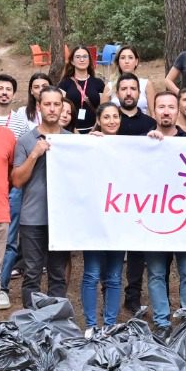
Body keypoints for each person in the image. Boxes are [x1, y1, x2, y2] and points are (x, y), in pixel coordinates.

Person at [139, 91, 186, 324]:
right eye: (161, 107)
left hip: (185, 219)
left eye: (170, 107)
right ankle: (162, 321)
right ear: (154, 111)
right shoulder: (142, 142)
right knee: (155, 273)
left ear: (178, 111)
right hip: (154, 218)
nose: (166, 111)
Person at [11, 86, 72, 304]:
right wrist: (35, 155)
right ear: (39, 106)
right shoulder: (26, 140)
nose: (52, 109)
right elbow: (17, 180)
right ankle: (32, 322)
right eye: (47, 104)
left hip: (61, 219)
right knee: (32, 274)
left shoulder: (71, 141)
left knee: (57, 274)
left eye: (57, 104)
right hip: (33, 218)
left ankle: (56, 322)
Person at [80, 104, 127, 333]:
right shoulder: (88, 144)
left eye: (115, 117)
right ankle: (90, 325)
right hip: (94, 220)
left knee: (115, 276)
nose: (111, 121)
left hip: (119, 220)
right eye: (106, 117)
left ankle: (109, 325)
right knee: (91, 273)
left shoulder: (131, 146)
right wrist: (86, 142)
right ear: (98, 119)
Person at [58, 46, 105, 133]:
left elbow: (103, 110)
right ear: (72, 61)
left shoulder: (99, 83)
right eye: (78, 57)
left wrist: (94, 130)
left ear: (89, 60)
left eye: (85, 56)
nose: (82, 60)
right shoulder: (64, 84)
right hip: (70, 132)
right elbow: (60, 110)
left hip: (95, 132)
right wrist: (75, 132)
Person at [107, 45, 153, 113]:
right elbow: (102, 114)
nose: (126, 61)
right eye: (122, 58)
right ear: (118, 62)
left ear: (136, 61)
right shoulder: (109, 86)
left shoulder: (146, 84)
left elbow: (154, 114)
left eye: (130, 57)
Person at [10, 73, 50, 137]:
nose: (41, 90)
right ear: (31, 91)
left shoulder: (59, 109)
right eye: (36, 87)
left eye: (44, 86)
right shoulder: (22, 112)